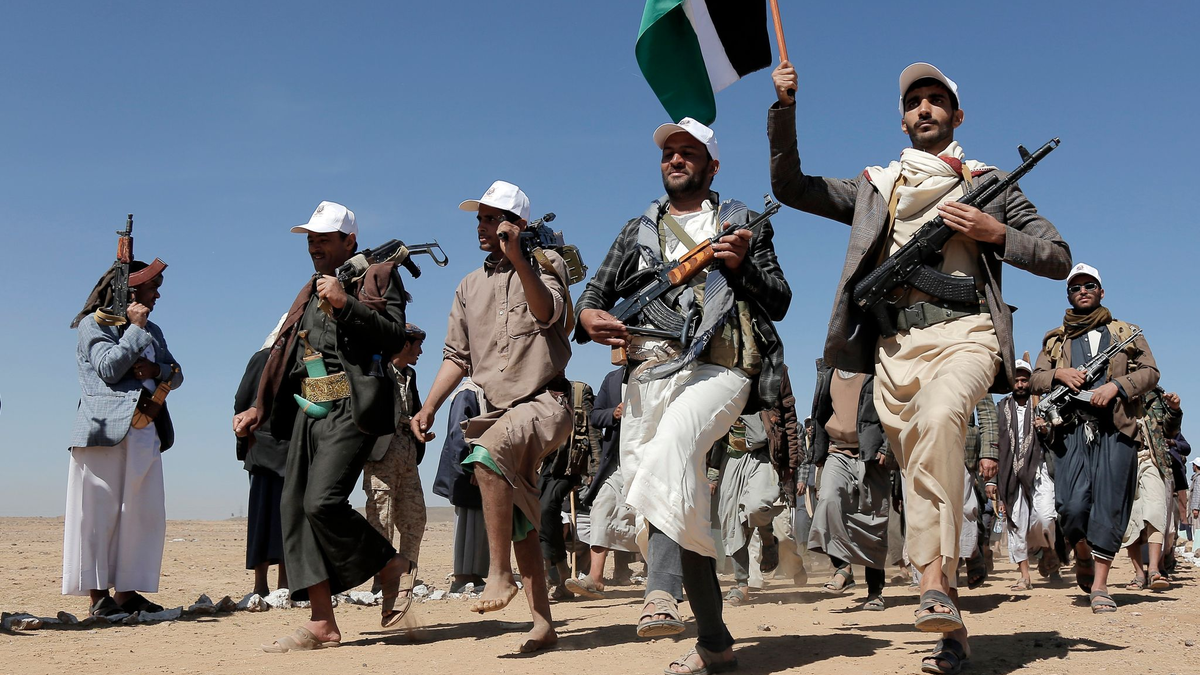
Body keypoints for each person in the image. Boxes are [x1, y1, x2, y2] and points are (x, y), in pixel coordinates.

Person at [769, 61, 1071, 674]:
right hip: (894, 351)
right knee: (919, 472)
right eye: (915, 103)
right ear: (902, 119)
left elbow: (1058, 257)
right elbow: (790, 187)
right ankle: (950, 628)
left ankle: (931, 577)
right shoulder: (877, 187)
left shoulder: (990, 182)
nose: (925, 110)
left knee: (939, 423)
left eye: (937, 101)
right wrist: (786, 109)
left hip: (969, 334)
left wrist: (993, 233)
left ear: (957, 116)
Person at [576, 117, 790, 675]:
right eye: (669, 152)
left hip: (720, 371)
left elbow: (780, 298)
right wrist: (591, 318)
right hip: (648, 377)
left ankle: (659, 592)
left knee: (674, 446)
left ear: (712, 165)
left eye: (688, 152)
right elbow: (593, 298)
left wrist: (741, 268)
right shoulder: (637, 230)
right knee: (677, 503)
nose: (676, 159)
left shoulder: (741, 222)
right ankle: (715, 643)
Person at [234, 201, 411, 652]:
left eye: (323, 239)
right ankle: (322, 623)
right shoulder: (307, 292)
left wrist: (345, 303)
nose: (314, 246)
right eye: (310, 239)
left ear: (349, 240)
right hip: (310, 411)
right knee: (294, 508)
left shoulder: (378, 276)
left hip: (352, 409)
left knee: (322, 502)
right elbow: (285, 354)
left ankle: (389, 566)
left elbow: (394, 336)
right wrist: (260, 406)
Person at [411, 180, 573, 654]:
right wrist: (428, 407)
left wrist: (521, 258)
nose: (483, 227)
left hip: (546, 403)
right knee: (520, 515)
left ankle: (497, 573)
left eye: (493, 218)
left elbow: (549, 317)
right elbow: (456, 357)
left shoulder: (547, 266)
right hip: (497, 411)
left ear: (518, 224)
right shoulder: (468, 286)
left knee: (485, 455)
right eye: (479, 219)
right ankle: (543, 624)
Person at [1031, 262, 1159, 614]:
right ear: (1069, 294)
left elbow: (1150, 372)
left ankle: (1100, 586)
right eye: (1076, 287)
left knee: (1110, 506)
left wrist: (1117, 386)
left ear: (1101, 292)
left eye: (1090, 286)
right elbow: (1036, 379)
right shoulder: (1056, 340)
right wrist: (1059, 373)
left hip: (1116, 430)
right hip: (1072, 430)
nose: (1083, 291)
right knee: (1070, 507)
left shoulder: (1124, 332)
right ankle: (1082, 552)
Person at [64, 257, 183, 617]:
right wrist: (133, 330)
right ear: (130, 291)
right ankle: (98, 597)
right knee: (97, 514)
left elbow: (176, 374)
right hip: (102, 433)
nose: (158, 295)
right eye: (153, 287)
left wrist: (156, 369)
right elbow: (109, 369)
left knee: (140, 513)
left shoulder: (154, 330)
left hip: (145, 429)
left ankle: (127, 594)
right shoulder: (91, 326)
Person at [807, 360, 892, 610]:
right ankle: (842, 567)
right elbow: (820, 412)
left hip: (872, 455)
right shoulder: (827, 372)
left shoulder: (877, 367)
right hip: (837, 452)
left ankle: (875, 592)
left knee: (873, 521)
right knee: (829, 500)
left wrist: (887, 446)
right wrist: (818, 452)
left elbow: (894, 406)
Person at [361, 323, 427, 617]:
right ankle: (386, 587)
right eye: (416, 345)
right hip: (381, 461)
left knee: (415, 520)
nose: (420, 352)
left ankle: (404, 582)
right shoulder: (375, 371)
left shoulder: (409, 376)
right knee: (381, 524)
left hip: (407, 459)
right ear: (403, 345)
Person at [568, 366, 638, 599]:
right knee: (602, 508)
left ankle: (664, 579)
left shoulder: (661, 374)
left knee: (653, 519)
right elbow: (596, 416)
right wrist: (613, 413)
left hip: (650, 460)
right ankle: (595, 578)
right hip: (617, 462)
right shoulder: (613, 379)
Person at [987, 358, 1057, 591]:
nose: (1020, 384)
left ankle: (1046, 549)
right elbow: (992, 443)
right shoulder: (1001, 408)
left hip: (1039, 470)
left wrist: (1045, 429)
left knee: (1046, 517)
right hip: (1009, 474)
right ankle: (1024, 576)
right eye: (1016, 380)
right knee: (1016, 523)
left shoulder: (1043, 405)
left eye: (1024, 380)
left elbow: (1057, 437)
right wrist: (991, 479)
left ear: (1030, 381)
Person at [234, 315, 289, 597]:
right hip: (267, 450)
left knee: (282, 517)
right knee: (268, 517)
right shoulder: (264, 358)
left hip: (286, 452)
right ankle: (264, 585)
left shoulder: (300, 359)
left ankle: (279, 585)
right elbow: (243, 401)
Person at [538, 380, 601, 600]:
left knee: (547, 509)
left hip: (569, 466)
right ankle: (561, 575)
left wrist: (595, 467)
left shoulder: (579, 391)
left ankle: (550, 573)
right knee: (538, 516)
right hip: (540, 465)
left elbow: (592, 429)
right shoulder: (535, 391)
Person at [713, 412, 784, 606]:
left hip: (762, 456)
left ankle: (768, 539)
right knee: (734, 524)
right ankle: (742, 584)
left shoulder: (768, 385)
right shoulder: (723, 390)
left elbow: (788, 421)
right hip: (729, 459)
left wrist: (790, 465)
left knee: (757, 507)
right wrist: (712, 474)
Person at [1119, 387, 1181, 590]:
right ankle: (1139, 574)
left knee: (1156, 510)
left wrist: (1174, 410)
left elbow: (1171, 430)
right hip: (1124, 462)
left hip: (1154, 460)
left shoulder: (1156, 396)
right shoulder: (1113, 393)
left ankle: (1154, 569)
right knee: (1131, 518)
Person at [432, 380, 490, 593]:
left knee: (481, 521)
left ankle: (475, 575)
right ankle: (462, 576)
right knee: (468, 520)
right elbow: (460, 435)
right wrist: (473, 466)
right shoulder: (468, 393)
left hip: (482, 466)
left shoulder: (484, 393)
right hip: (468, 469)